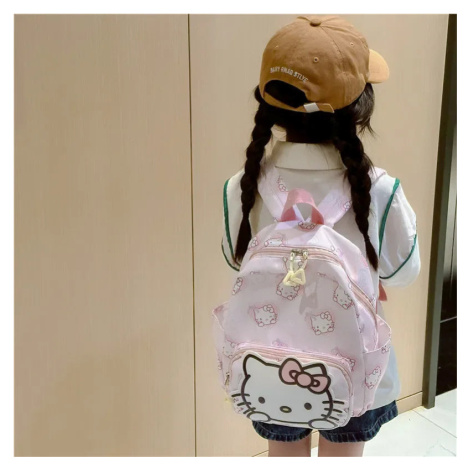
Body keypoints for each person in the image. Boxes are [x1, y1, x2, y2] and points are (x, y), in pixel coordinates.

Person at [221, 15, 421, 457]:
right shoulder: (380, 189)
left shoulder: (242, 186)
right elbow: (404, 273)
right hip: (355, 362)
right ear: (360, 106)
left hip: (267, 364)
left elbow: (237, 262)